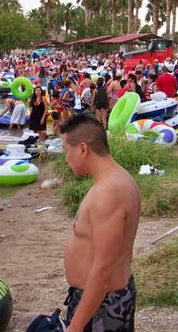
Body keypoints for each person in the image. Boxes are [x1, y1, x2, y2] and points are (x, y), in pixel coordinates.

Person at [61, 114, 140, 332]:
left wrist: (75, 327)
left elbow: (103, 269)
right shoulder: (116, 179)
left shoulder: (109, 192)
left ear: (83, 149)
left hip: (102, 304)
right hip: (103, 299)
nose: (66, 158)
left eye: (67, 150)